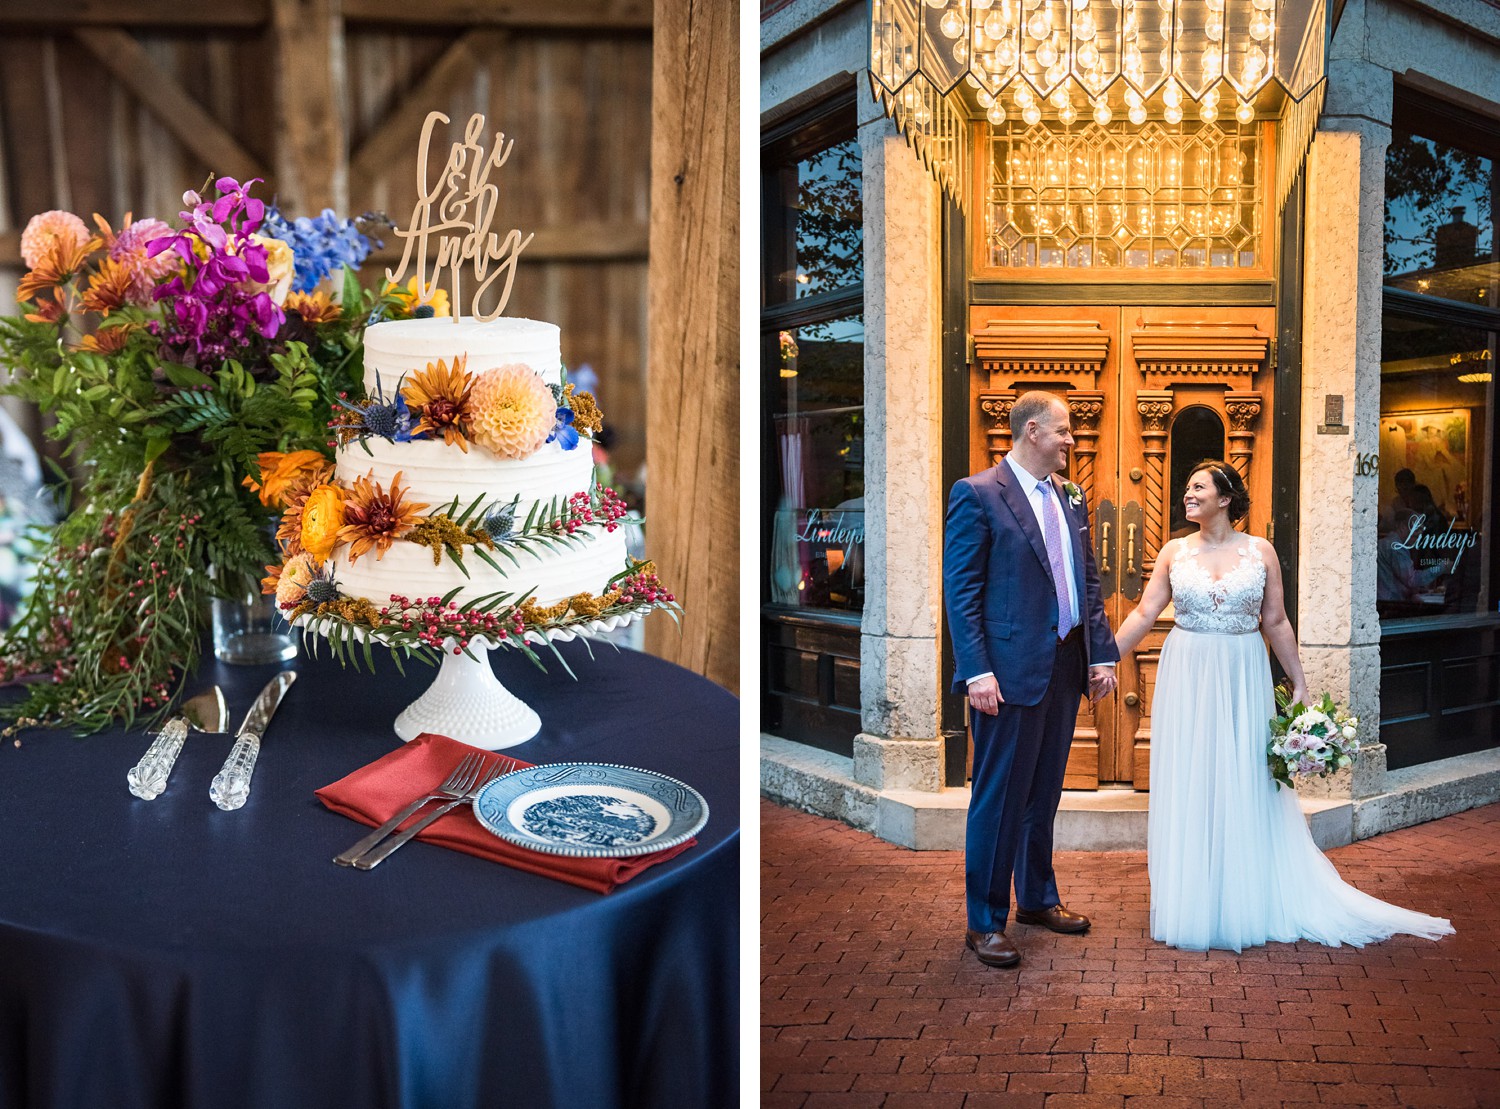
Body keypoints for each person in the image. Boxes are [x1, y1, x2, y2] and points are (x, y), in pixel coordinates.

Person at [1111, 460, 1453, 951]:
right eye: (1186, 488)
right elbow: (1145, 612)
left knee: (1245, 777)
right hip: (1187, 671)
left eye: (1197, 488)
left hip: (1242, 670)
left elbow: (1276, 622)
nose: (1187, 495)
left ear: (1225, 499)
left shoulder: (1259, 551)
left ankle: (1245, 894)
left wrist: (1300, 683)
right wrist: (1100, 659)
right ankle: (1197, 896)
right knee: (1194, 777)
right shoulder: (1172, 552)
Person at [942, 391, 1119, 969]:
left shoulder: (1070, 498)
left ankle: (1037, 899)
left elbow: (1086, 581)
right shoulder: (977, 494)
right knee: (998, 798)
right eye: (1065, 432)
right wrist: (976, 672)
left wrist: (1101, 655)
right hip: (1006, 675)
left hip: (1064, 669)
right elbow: (962, 595)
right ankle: (984, 921)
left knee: (1043, 792)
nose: (1073, 441)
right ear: (1034, 430)